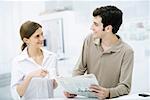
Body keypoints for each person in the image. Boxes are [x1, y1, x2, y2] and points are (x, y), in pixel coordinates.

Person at [64, 5, 134, 99]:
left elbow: (125, 87)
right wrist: (72, 88)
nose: (91, 27)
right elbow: (79, 69)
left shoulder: (127, 51)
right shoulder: (89, 40)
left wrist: (108, 93)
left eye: (96, 24)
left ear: (108, 28)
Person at [11, 21, 58, 100]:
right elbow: (16, 94)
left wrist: (57, 81)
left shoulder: (52, 57)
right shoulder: (18, 62)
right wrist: (30, 76)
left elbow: (53, 86)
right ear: (26, 40)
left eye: (42, 34)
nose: (42, 38)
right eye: (37, 36)